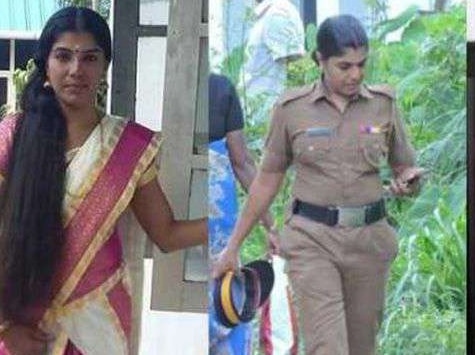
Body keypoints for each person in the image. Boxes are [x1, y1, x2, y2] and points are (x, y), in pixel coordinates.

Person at [213, 15, 425, 354]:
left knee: (361, 346)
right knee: (327, 347)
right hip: (312, 241)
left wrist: (408, 182)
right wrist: (233, 246)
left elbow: (405, 167)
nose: (355, 74)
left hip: (369, 242)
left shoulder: (383, 105)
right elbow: (267, 179)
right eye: (344, 66)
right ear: (320, 61)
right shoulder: (292, 109)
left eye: (361, 64)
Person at [0, 7, 206, 354]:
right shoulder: (13, 136)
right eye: (63, 56)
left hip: (99, 324)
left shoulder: (127, 145)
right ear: (46, 65)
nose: (76, 70)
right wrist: (6, 327)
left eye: (90, 58)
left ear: (105, 66)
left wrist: (227, 223)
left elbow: (167, 234)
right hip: (23, 328)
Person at [208, 73, 278, 354]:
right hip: (217, 209)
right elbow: (242, 163)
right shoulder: (220, 87)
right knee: (224, 293)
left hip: (190, 206)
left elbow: (243, 164)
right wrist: (271, 226)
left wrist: (271, 225)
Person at [239, 0, 305, 122]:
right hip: (255, 116)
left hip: (268, 118)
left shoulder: (278, 13)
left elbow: (296, 70)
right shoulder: (266, 13)